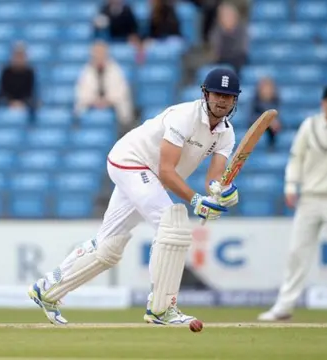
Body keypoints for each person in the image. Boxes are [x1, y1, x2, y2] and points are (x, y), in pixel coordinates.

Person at [29, 68, 241, 325]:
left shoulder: (226, 134)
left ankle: (47, 289)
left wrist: (223, 193)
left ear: (235, 101)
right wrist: (197, 201)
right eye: (217, 94)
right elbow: (165, 172)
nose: (222, 100)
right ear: (205, 94)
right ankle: (161, 308)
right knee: (172, 222)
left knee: (108, 247)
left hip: (147, 175)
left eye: (228, 96)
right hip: (131, 162)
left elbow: (213, 182)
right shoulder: (184, 117)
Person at [258, 86, 327, 323]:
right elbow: (296, 157)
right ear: (323, 104)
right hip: (309, 198)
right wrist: (291, 185)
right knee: (297, 253)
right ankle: (284, 306)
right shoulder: (309, 126)